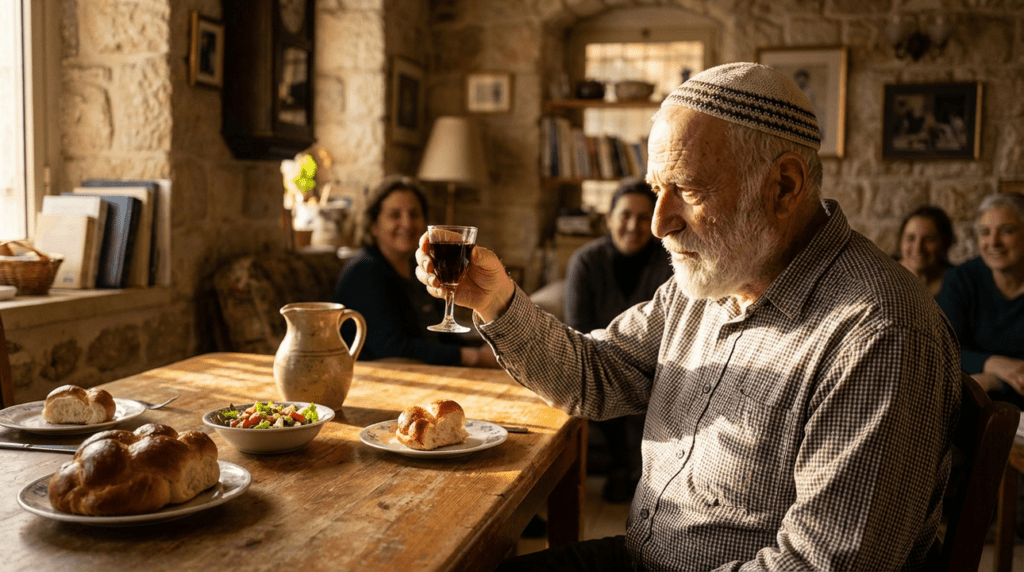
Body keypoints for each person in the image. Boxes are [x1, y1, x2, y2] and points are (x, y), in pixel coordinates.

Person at [415, 62, 960, 571]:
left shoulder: (878, 333)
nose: (658, 224)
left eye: (690, 191)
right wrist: (496, 301)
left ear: (785, 186)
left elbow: (821, 563)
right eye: (657, 190)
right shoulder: (713, 282)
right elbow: (595, 374)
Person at [563, 176, 671, 503]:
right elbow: (578, 329)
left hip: (654, 367)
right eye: (624, 215)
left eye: (643, 217)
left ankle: (629, 471)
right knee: (604, 381)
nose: (632, 225)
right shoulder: (585, 262)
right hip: (600, 362)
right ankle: (622, 468)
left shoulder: (670, 262)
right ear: (609, 218)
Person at [332, 175, 497, 367]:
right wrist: (472, 357)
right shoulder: (364, 272)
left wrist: (483, 350)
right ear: (373, 225)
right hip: (385, 380)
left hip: (433, 373)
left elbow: (440, 336)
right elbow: (391, 348)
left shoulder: (418, 268)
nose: (407, 223)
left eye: (414, 214)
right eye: (395, 215)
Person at [937, 192, 1024, 408]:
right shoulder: (961, 279)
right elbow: (945, 350)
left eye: (1006, 231)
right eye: (985, 232)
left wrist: (994, 380)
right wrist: (992, 363)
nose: (993, 242)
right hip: (974, 407)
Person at [894, 205, 956, 296]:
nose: (918, 248)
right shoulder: (883, 277)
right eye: (910, 238)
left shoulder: (959, 282)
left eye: (928, 239)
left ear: (945, 242)